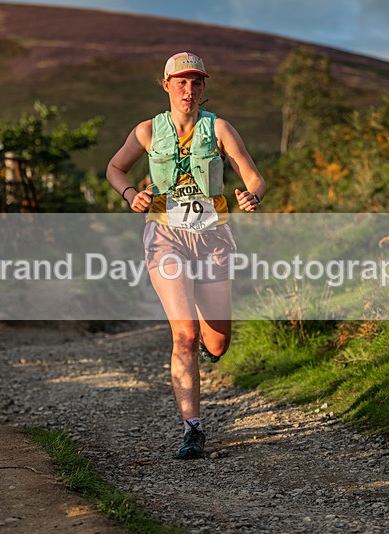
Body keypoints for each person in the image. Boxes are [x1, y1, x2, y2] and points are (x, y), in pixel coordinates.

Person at [106, 52, 267, 459]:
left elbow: (254, 177)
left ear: (203, 89)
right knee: (185, 335)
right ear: (166, 85)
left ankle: (209, 348)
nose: (188, 89)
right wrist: (131, 195)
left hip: (213, 238)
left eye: (196, 83)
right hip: (165, 237)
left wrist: (251, 195)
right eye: (180, 82)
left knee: (217, 341)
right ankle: (192, 429)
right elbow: (114, 169)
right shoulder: (146, 131)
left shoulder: (220, 129)